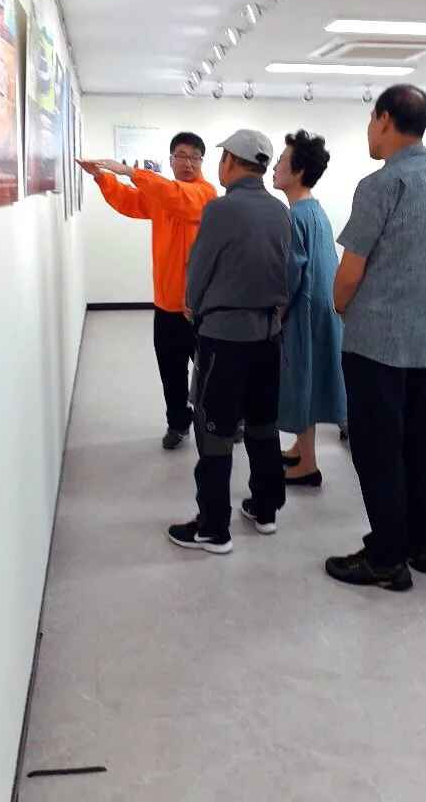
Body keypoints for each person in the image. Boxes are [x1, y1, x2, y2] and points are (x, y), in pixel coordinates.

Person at [325, 85, 426, 592]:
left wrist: (340, 305)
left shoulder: (380, 185)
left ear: (383, 118)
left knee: (377, 449)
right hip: (424, 341)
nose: (369, 130)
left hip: (375, 344)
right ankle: (420, 545)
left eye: (370, 120)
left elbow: (350, 273)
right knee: (417, 443)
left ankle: (386, 557)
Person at [168, 130, 292, 554]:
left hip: (225, 337)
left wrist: (193, 307)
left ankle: (213, 527)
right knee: (262, 423)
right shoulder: (280, 210)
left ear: (231, 161)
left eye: (220, 157)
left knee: (215, 430)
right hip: (268, 335)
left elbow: (199, 270)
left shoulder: (220, 209)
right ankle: (265, 508)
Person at [77, 133, 217, 450]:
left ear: (201, 162)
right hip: (166, 304)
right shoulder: (161, 194)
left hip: (199, 307)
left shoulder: (205, 194)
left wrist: (130, 171)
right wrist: (101, 177)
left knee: (210, 373)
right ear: (170, 160)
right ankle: (178, 423)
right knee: (171, 371)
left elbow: (180, 199)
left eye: (195, 157)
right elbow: (129, 201)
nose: (188, 163)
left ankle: (222, 422)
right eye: (181, 156)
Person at [273, 130, 346, 485]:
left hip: (303, 311)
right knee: (308, 380)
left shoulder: (294, 216)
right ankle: (301, 449)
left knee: (300, 380)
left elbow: (290, 274)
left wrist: (276, 314)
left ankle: (309, 466)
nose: (274, 167)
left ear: (298, 171)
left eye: (281, 161)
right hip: (322, 309)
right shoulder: (314, 210)